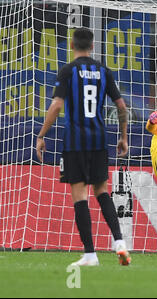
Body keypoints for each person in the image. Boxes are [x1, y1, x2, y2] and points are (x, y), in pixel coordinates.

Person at [35, 28, 131, 266]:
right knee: (102, 191)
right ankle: (119, 241)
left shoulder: (68, 70)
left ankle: (90, 254)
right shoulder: (103, 70)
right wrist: (123, 137)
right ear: (93, 46)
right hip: (99, 140)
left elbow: (57, 106)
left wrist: (41, 134)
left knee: (80, 195)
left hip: (75, 141)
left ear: (71, 45)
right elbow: (121, 106)